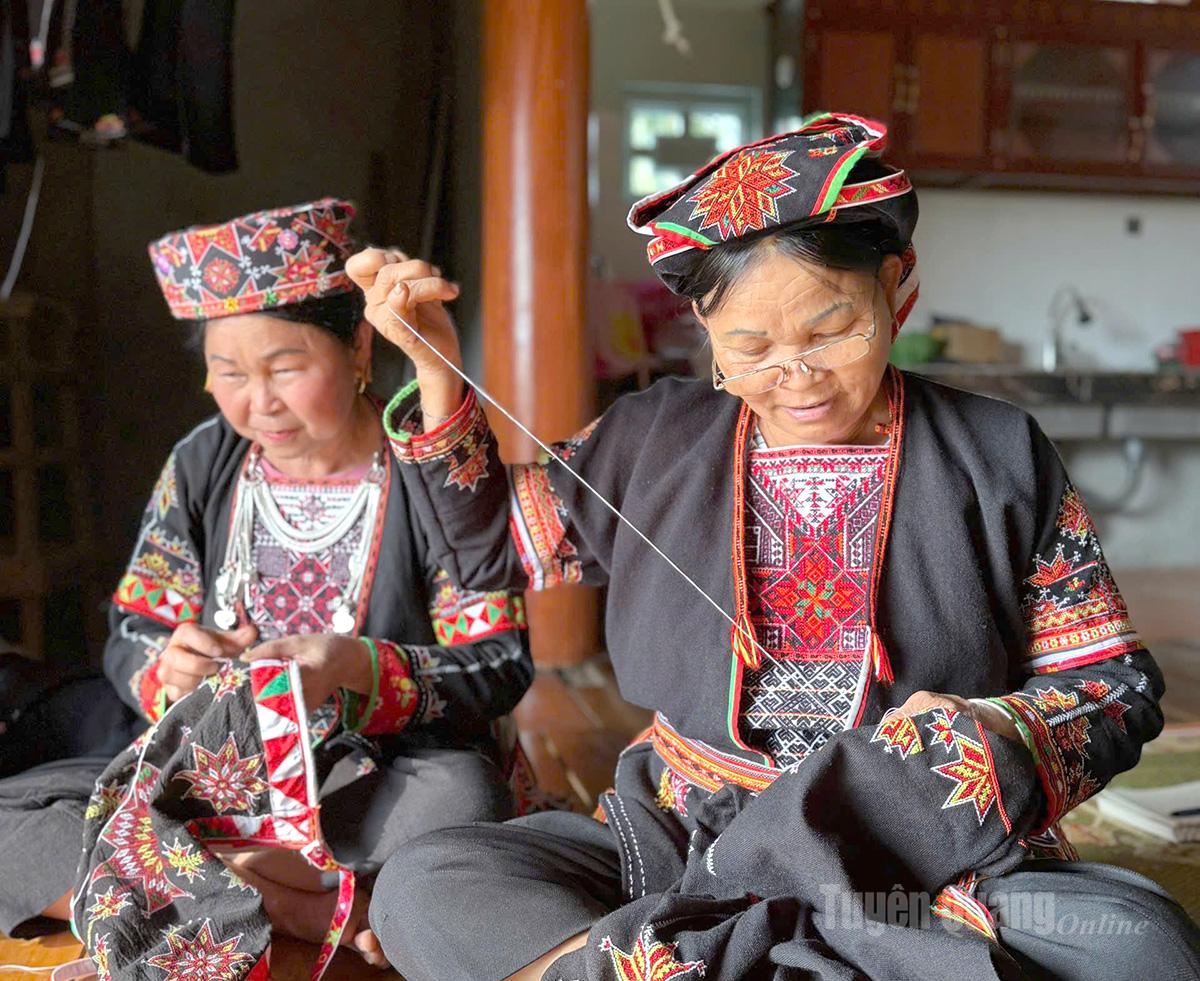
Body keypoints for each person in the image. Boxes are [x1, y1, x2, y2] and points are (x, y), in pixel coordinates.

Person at [350, 115, 1200, 980]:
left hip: (917, 860)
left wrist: (979, 728)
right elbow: (492, 547)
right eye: (749, 348)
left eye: (832, 331)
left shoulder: (997, 449)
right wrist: (437, 370)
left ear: (897, 288)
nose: (795, 377)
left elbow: (1113, 687)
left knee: (1145, 948)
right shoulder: (652, 437)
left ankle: (667, 959)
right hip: (685, 836)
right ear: (705, 328)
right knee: (429, 879)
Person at [0, 198, 532, 970]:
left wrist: (353, 667)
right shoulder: (203, 462)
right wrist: (167, 667)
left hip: (374, 775)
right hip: (217, 782)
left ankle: (190, 885)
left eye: (285, 367)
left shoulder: (427, 469)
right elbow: (135, 629)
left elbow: (499, 659)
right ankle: (297, 905)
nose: (258, 401)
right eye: (229, 373)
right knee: (11, 815)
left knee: (462, 806)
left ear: (356, 347)